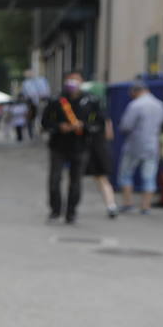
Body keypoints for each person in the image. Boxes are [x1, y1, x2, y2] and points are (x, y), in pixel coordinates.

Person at [40, 71, 92, 223]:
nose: (73, 83)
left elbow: (98, 122)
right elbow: (45, 122)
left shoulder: (90, 100)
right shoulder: (56, 100)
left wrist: (84, 126)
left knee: (76, 181)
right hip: (58, 146)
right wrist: (58, 126)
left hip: (80, 146)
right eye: (70, 80)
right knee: (55, 179)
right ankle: (55, 210)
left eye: (76, 80)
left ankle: (71, 212)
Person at [117, 80, 163, 215]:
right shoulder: (160, 105)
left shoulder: (135, 105)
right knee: (149, 176)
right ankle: (146, 206)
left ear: (135, 91)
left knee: (126, 174)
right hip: (153, 145)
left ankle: (128, 203)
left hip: (135, 144)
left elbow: (126, 125)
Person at [77, 81, 119, 217]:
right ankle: (111, 205)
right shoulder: (103, 114)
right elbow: (109, 134)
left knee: (76, 177)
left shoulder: (83, 111)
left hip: (87, 147)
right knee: (102, 179)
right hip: (98, 147)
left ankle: (72, 207)